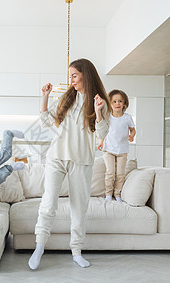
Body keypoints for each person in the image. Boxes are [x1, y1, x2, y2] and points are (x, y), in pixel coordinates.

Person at [28, 58, 110, 270]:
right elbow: (47, 122)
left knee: (79, 208)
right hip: (56, 156)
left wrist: (99, 111)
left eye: (74, 75)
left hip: (82, 160)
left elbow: (102, 134)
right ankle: (39, 247)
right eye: (70, 76)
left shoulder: (101, 102)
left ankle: (76, 251)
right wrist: (45, 97)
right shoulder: (67, 98)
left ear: (86, 75)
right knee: (49, 203)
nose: (71, 80)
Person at [97, 89, 136, 202]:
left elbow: (133, 130)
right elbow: (104, 130)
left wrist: (132, 136)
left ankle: (117, 194)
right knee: (110, 172)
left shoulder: (127, 118)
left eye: (120, 101)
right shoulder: (108, 117)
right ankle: (108, 194)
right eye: (114, 101)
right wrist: (101, 142)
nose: (117, 103)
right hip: (108, 149)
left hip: (122, 150)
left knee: (120, 174)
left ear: (124, 103)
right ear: (110, 103)